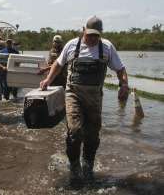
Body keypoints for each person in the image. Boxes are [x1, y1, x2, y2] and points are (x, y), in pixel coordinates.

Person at [40, 16, 129, 185]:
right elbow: (58, 65)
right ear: (83, 31)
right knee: (74, 132)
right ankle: (74, 165)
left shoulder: (107, 47)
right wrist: (48, 81)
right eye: (90, 34)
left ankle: (88, 164)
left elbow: (120, 69)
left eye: (96, 35)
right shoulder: (72, 45)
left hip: (95, 97)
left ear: (100, 34)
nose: (93, 38)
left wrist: (123, 84)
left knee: (92, 136)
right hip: (73, 94)